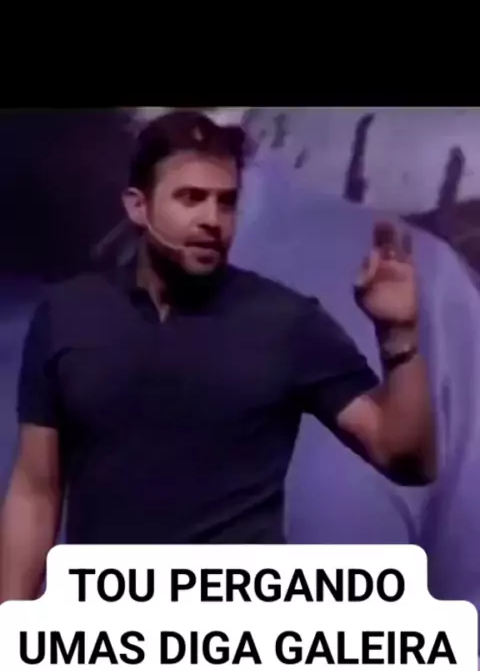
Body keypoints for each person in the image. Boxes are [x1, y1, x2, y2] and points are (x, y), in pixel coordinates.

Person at [0, 110, 436, 602]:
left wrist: (399, 336)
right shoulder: (68, 315)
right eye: (191, 198)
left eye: (226, 202)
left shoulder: (284, 321)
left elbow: (405, 459)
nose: (212, 219)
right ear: (138, 206)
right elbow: (36, 491)